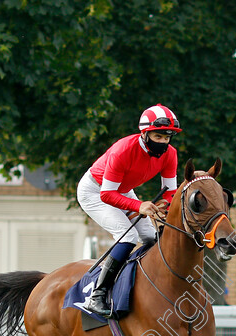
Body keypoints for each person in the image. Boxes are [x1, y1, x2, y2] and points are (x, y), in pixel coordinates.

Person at [77, 104, 181, 317]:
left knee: (152, 237)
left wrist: (165, 208)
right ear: (145, 134)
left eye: (167, 137)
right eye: (158, 136)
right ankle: (97, 295)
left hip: (121, 191)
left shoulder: (170, 154)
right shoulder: (123, 150)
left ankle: (142, 286)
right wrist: (139, 205)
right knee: (128, 236)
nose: (163, 142)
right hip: (95, 192)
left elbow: (171, 192)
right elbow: (107, 195)